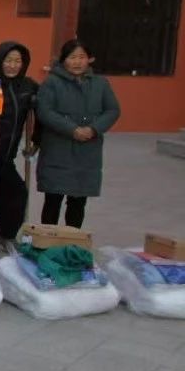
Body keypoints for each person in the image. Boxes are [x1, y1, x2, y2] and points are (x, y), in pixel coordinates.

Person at [35, 39, 120, 229]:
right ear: (64, 60)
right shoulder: (52, 82)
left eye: (82, 57)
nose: (77, 62)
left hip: (87, 152)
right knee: (53, 199)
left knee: (78, 202)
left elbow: (112, 110)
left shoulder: (100, 84)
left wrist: (93, 129)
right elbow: (45, 111)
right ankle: (47, 239)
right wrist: (72, 129)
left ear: (89, 59)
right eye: (72, 57)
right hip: (58, 150)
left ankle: (72, 239)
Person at [0, 41, 39, 249]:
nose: (13, 65)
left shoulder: (28, 87)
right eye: (8, 60)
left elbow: (41, 115)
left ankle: (6, 234)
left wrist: (36, 140)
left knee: (17, 194)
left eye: (18, 61)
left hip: (7, 158)